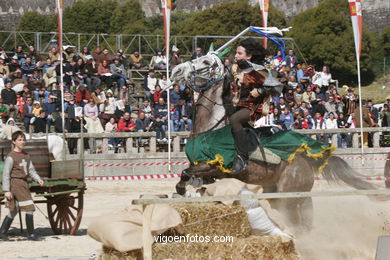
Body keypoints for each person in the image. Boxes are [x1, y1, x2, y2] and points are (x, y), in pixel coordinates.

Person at [229, 38, 282, 174]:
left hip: (254, 107)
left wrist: (260, 91)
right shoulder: (235, 68)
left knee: (235, 119)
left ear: (249, 56)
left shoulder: (258, 71)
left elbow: (277, 87)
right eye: (236, 53)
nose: (236, 56)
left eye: (239, 53)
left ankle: (242, 157)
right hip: (238, 104)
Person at [0, 131, 45, 241]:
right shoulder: (11, 157)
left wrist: (38, 179)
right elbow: (6, 174)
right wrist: (6, 190)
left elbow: (31, 170)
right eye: (19, 140)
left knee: (19, 210)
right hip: (15, 184)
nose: (22, 142)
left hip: (24, 184)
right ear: (14, 142)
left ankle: (4, 233)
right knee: (23, 208)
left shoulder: (26, 155)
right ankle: (30, 234)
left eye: (23, 139)